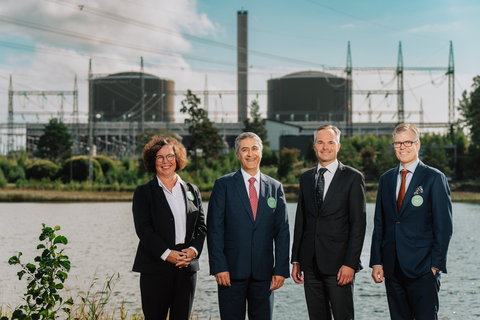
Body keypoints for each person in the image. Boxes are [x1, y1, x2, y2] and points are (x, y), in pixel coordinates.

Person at [370, 123, 453, 320]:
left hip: (423, 269)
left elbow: (444, 227)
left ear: (418, 144)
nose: (402, 147)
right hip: (392, 268)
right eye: (398, 143)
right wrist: (376, 261)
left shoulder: (434, 178)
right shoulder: (386, 179)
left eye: (408, 142)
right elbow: (379, 223)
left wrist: (435, 266)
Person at [207, 132, 290, 320]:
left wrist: (281, 269)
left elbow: (282, 231)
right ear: (237, 154)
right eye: (244, 149)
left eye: (254, 148)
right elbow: (214, 230)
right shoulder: (223, 185)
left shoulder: (275, 187)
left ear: (261, 152)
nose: (250, 153)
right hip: (230, 272)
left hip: (264, 273)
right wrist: (219, 266)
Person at [291, 124, 366, 320]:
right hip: (309, 263)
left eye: (330, 142)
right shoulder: (306, 178)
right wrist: (296, 259)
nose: (325, 147)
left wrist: (350, 264)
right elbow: (301, 220)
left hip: (340, 265)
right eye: (320, 142)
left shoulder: (353, 177)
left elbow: (358, 225)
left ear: (338, 145)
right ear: (314, 146)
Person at [132, 135, 206, 320]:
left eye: (170, 156)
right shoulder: (143, 193)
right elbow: (144, 229)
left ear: (177, 158)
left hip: (186, 266)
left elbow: (201, 226)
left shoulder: (192, 190)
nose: (166, 161)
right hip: (156, 266)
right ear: (153, 161)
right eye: (160, 157)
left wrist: (194, 251)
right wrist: (167, 254)